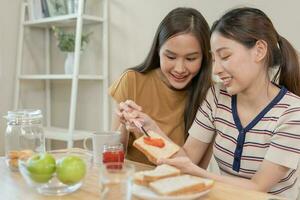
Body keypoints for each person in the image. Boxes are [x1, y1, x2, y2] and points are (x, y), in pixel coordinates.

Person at [154, 7, 300, 199]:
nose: (216, 69)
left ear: (259, 51)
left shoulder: (292, 112)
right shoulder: (216, 96)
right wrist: (149, 128)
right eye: (214, 59)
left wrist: (197, 173)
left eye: (225, 56)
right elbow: (188, 158)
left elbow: (258, 187)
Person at [109, 7, 213, 165]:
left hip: (179, 183)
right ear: (158, 49)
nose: (179, 68)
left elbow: (198, 167)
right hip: (133, 180)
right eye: (170, 56)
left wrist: (152, 129)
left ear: (204, 57)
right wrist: (124, 125)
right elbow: (114, 154)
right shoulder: (132, 80)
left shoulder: (211, 94)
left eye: (191, 59)